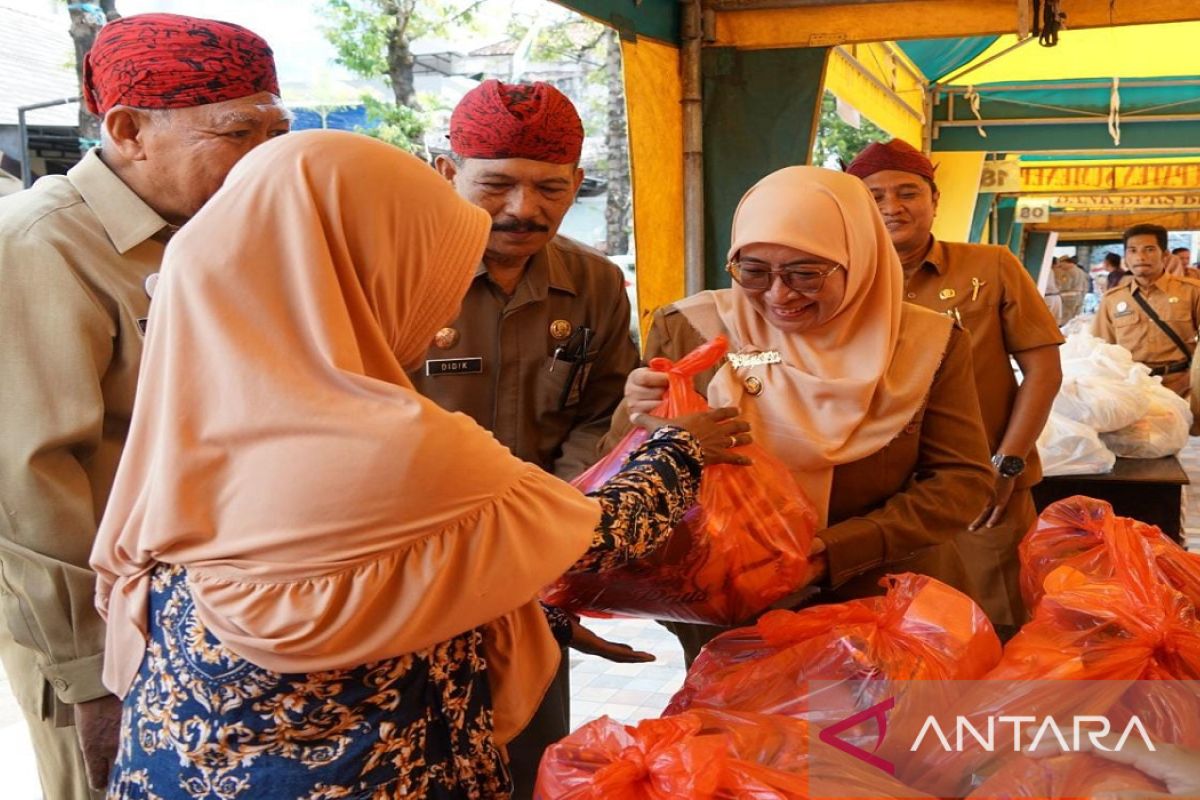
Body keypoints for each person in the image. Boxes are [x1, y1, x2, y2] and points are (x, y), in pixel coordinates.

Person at [88, 130, 744, 799]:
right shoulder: (390, 445)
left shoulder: (193, 393)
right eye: (428, 278)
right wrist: (678, 447)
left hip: (177, 759)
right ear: (361, 269)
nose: (436, 310)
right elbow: (591, 537)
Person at [0, 14, 288, 797]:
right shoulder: (40, 245)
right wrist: (96, 677)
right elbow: (28, 489)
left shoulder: (225, 227)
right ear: (128, 131)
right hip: (101, 635)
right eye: (238, 133)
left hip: (212, 618)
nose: (268, 159)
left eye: (278, 131)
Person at [610, 166, 994, 665]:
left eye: (805, 274)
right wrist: (633, 414)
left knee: (863, 741)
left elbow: (961, 482)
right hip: (728, 605)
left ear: (858, 260)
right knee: (739, 739)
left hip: (877, 602)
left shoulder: (927, 344)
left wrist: (830, 552)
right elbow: (622, 467)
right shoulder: (692, 328)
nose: (778, 295)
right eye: (753, 271)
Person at [411, 79, 640, 795]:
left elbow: (603, 413)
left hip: (537, 571)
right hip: (415, 576)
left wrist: (545, 530)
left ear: (575, 182)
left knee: (530, 756)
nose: (523, 210)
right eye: (497, 184)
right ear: (447, 173)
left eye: (549, 187)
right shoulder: (399, 272)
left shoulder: (596, 284)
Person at [847, 138, 1063, 638]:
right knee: (899, 634)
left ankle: (993, 719)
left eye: (907, 193)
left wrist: (1006, 465)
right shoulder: (841, 279)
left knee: (997, 622)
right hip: (883, 500)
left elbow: (1044, 370)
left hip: (982, 487)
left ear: (935, 201)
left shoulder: (990, 266)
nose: (892, 208)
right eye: (874, 197)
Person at [1094, 223, 1200, 399]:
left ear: (1165, 255)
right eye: (1132, 250)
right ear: (1126, 257)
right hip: (1132, 389)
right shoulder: (1112, 299)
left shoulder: (1192, 292)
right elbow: (1101, 350)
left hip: (1184, 386)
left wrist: (1187, 381)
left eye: (1149, 249)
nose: (1140, 257)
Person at [1051, 255, 1089, 322]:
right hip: (1079, 297)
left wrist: (1057, 287)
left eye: (1061, 263)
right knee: (1075, 319)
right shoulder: (1081, 271)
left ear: (1066, 262)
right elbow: (1086, 286)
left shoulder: (1069, 272)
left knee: (1066, 319)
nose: (1060, 266)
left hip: (1069, 298)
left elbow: (1065, 286)